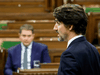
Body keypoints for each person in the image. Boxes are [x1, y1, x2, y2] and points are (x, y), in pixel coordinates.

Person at [53, 4, 100, 75]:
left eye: (58, 23)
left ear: (70, 26)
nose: (55, 28)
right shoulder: (93, 49)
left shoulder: (69, 54)